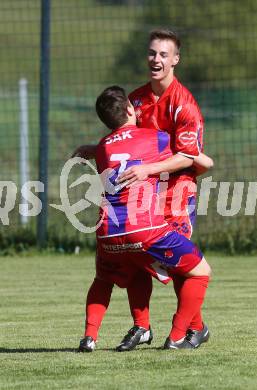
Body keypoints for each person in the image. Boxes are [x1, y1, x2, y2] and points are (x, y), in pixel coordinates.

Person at [73, 29, 211, 351]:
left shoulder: (185, 105)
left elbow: (188, 158)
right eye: (152, 53)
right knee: (137, 259)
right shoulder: (135, 100)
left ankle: (191, 329)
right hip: (142, 195)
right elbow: (126, 145)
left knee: (180, 267)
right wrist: (95, 148)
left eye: (164, 54)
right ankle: (144, 326)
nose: (156, 59)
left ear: (176, 60)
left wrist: (149, 169)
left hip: (176, 192)